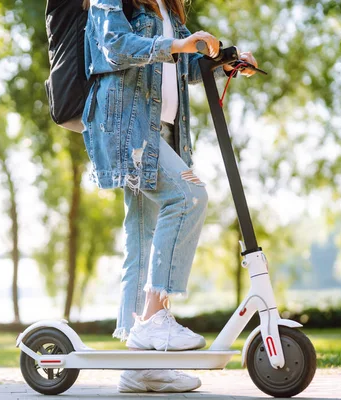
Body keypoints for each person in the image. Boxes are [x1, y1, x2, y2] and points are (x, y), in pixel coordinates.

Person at [81, 0, 258, 393]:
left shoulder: (168, 7)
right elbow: (115, 46)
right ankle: (153, 321)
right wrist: (181, 45)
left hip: (161, 132)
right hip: (126, 129)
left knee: (143, 239)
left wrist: (220, 63)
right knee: (188, 197)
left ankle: (142, 367)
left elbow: (179, 65)